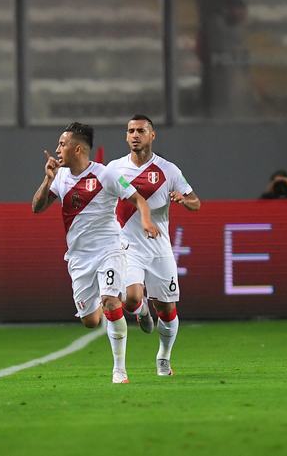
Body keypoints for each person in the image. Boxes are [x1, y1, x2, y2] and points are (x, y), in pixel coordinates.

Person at [32, 122, 160, 384]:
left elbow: (137, 198)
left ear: (77, 149)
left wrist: (146, 221)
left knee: (110, 302)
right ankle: (139, 306)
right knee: (90, 320)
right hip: (79, 258)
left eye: (62, 144)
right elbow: (37, 207)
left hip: (109, 248)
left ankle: (119, 370)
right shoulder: (61, 177)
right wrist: (48, 180)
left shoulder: (106, 174)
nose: (57, 149)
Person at [108, 115, 200, 377]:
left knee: (167, 309)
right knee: (131, 299)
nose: (135, 135)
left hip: (159, 248)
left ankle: (163, 357)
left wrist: (183, 200)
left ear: (152, 135)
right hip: (127, 247)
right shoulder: (114, 169)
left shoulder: (168, 170)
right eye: (130, 131)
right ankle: (141, 310)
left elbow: (196, 203)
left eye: (141, 130)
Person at [195, 0, 248, 118]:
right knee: (206, 75)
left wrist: (226, 16)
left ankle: (221, 109)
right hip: (203, 35)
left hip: (222, 38)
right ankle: (205, 109)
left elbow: (240, 11)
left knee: (222, 74)